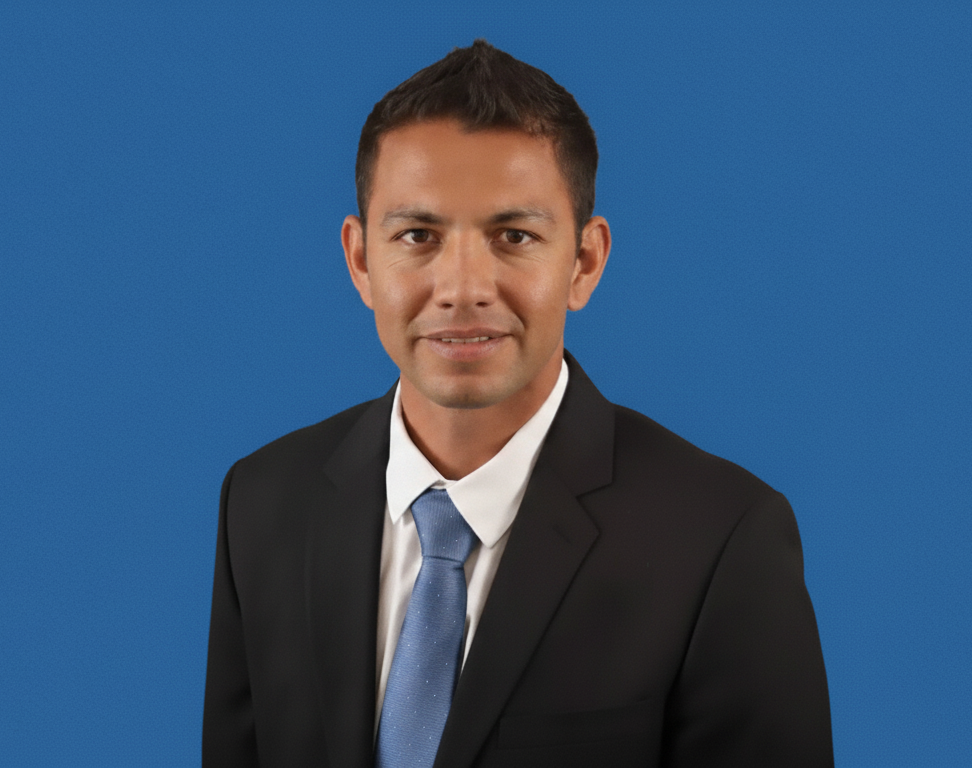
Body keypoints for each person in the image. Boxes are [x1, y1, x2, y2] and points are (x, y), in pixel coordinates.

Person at [202, 39, 832, 767]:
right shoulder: (263, 505)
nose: (463, 287)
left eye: (514, 236)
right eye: (417, 235)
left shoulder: (721, 540)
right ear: (362, 260)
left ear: (584, 262)